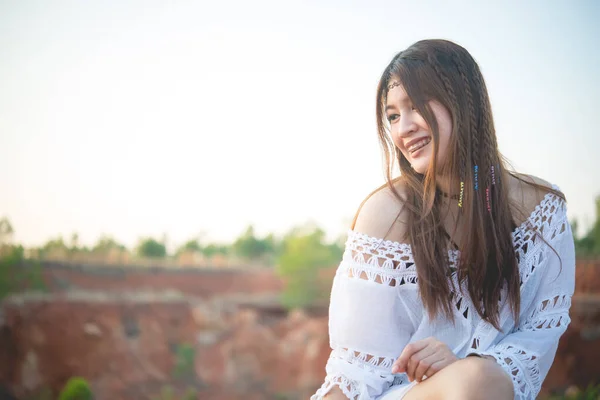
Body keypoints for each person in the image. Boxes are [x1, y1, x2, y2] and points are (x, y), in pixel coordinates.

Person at [311, 39, 575, 400]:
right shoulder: (386, 213)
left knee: (475, 380)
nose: (402, 128)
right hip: (404, 394)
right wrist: (459, 376)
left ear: (462, 102)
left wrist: (463, 364)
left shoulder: (539, 210)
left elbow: (537, 336)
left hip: (485, 388)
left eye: (415, 107)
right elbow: (354, 369)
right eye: (392, 116)